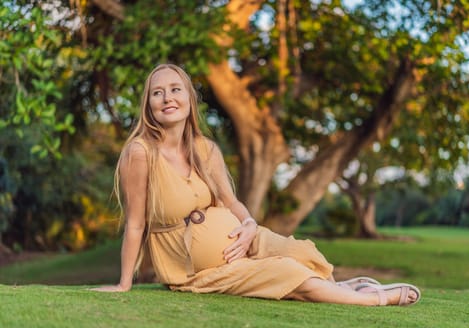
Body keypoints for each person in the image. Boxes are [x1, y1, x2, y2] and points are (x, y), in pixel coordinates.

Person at [91, 63, 421, 306]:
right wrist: (124, 284)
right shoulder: (140, 153)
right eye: (157, 93)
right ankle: (375, 300)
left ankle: (343, 288)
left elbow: (230, 201)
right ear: (148, 105)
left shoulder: (206, 149)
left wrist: (248, 224)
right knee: (288, 273)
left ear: (189, 98)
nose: (167, 98)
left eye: (175, 89)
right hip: (195, 267)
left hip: (241, 238)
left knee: (300, 252)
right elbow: (136, 223)